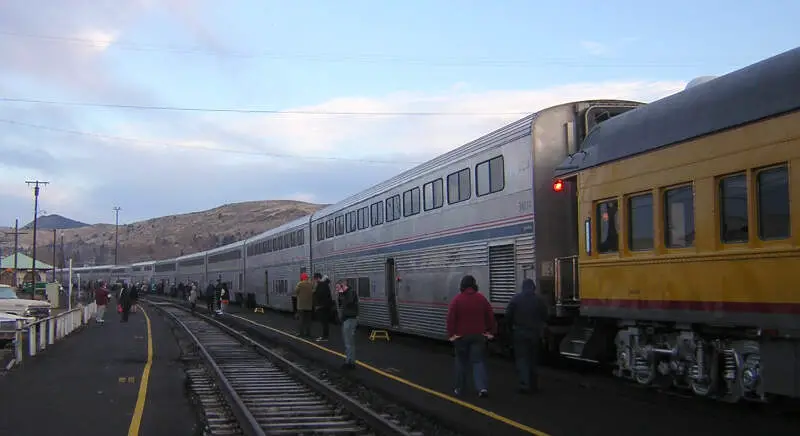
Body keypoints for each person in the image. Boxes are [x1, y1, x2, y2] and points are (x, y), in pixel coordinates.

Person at [446, 275, 496, 398]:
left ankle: (460, 388)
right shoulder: (482, 299)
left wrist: (451, 334)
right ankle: (482, 388)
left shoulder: (457, 300)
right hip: (479, 335)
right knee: (478, 361)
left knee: (461, 362)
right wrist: (490, 331)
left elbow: (451, 319)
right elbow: (490, 317)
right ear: (474, 285)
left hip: (461, 336)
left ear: (462, 286)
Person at [505, 278, 549, 393]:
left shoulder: (516, 299)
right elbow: (545, 316)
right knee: (533, 360)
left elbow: (508, 316)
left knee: (522, 359)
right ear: (533, 287)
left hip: (519, 333)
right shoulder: (539, 300)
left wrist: (510, 329)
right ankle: (534, 385)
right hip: (535, 333)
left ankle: (524, 385)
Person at [337, 280, 359, 369]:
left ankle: (349, 362)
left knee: (348, 342)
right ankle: (350, 361)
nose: (337, 289)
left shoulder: (351, 293)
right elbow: (341, 304)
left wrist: (343, 293)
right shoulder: (346, 293)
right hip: (347, 319)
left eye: (339, 287)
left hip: (350, 319)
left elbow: (349, 302)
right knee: (348, 342)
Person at [312, 273, 333, 342]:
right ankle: (325, 336)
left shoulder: (322, 285)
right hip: (325, 306)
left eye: (315, 279)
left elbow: (320, 295)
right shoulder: (324, 285)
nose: (314, 280)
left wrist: (319, 306)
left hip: (322, 307)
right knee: (324, 322)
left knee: (324, 322)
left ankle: (325, 337)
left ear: (317, 278)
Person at [293, 273, 314, 337]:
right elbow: (313, 291)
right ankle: (308, 333)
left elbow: (296, 291)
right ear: (307, 278)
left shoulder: (300, 284)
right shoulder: (311, 284)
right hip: (309, 305)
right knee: (308, 320)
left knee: (301, 320)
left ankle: (301, 333)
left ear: (302, 278)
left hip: (301, 306)